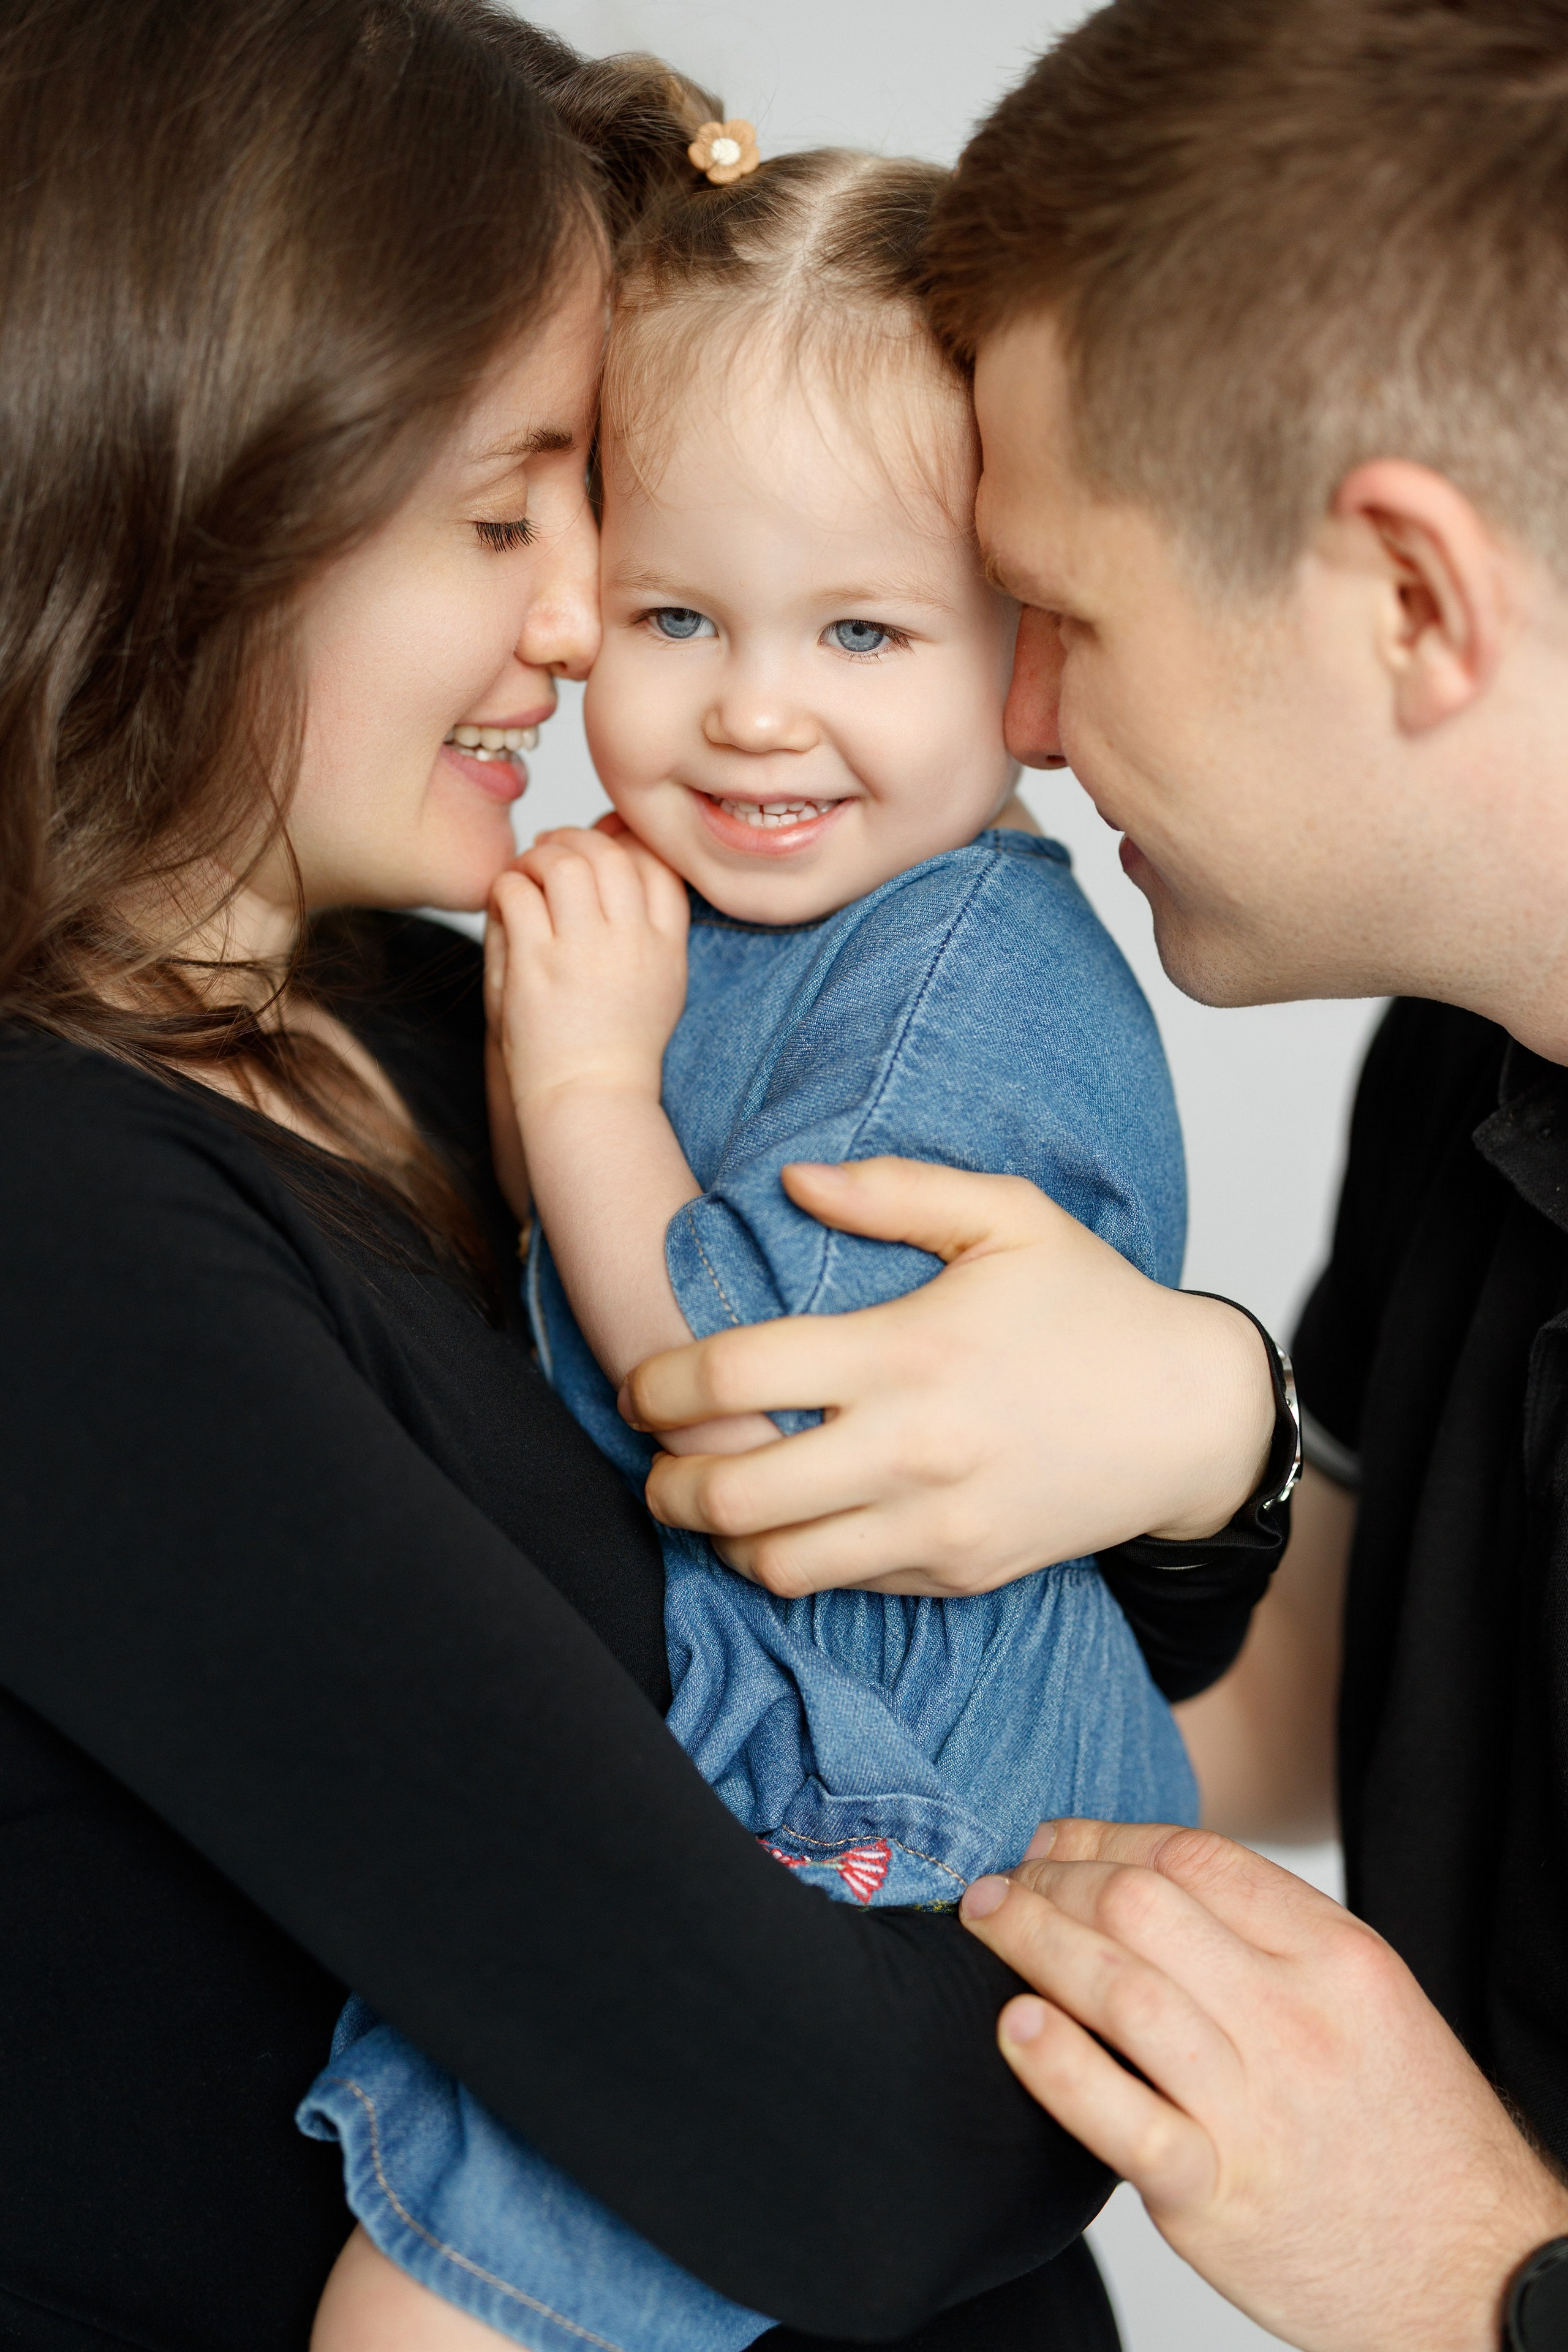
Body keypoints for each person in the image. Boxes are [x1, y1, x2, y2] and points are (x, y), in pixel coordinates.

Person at [0, 6, 1226, 2346]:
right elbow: (856, 2150)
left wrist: (1206, 1427)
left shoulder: (411, 1013)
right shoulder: (60, 1224)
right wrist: (1157, 2027)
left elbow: (1026, 1616)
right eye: (505, 517)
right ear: (196, 497)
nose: (580, 633)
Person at [614, 1, 1568, 2345]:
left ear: (1415, 601)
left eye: (1072, 619)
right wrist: (1209, 1433)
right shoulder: (1473, 1056)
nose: (1016, 724)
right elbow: (1324, 1715)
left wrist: (1470, 2273)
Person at [303, 115, 1202, 2351]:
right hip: (771, 1752)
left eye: (866, 628)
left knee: (425, 2318)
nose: (756, 708)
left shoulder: (947, 988)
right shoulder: (705, 910)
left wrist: (589, 1086)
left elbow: (771, 1418)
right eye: (679, 613)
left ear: (1025, 650)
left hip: (879, 1788)